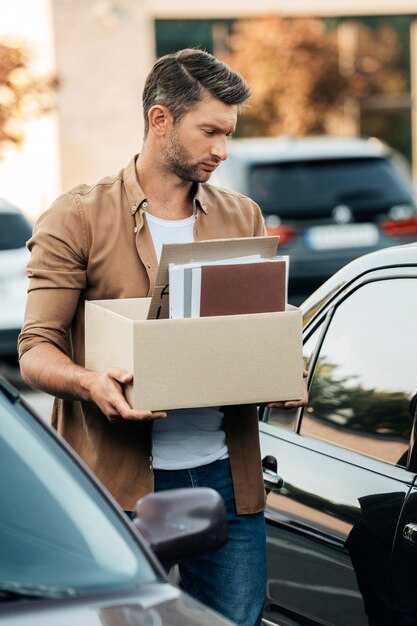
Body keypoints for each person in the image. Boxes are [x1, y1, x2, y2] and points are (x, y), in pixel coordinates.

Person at [18, 48, 308, 626]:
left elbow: (253, 329)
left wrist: (280, 368)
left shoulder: (242, 214)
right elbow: (35, 351)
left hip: (229, 480)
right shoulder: (77, 216)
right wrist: (89, 381)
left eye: (228, 134)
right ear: (160, 120)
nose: (221, 151)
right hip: (117, 493)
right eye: (209, 132)